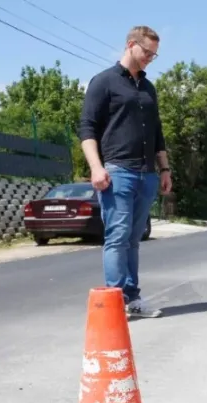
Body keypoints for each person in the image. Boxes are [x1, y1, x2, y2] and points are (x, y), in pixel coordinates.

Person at [79, 25, 172, 318]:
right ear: (131, 45)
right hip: (117, 171)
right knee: (117, 238)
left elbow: (157, 132)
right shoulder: (104, 82)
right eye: (147, 52)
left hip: (147, 174)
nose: (149, 59)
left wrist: (165, 168)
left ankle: (132, 299)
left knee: (134, 240)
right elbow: (87, 128)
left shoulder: (148, 88)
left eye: (154, 55)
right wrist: (96, 167)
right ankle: (115, 301)